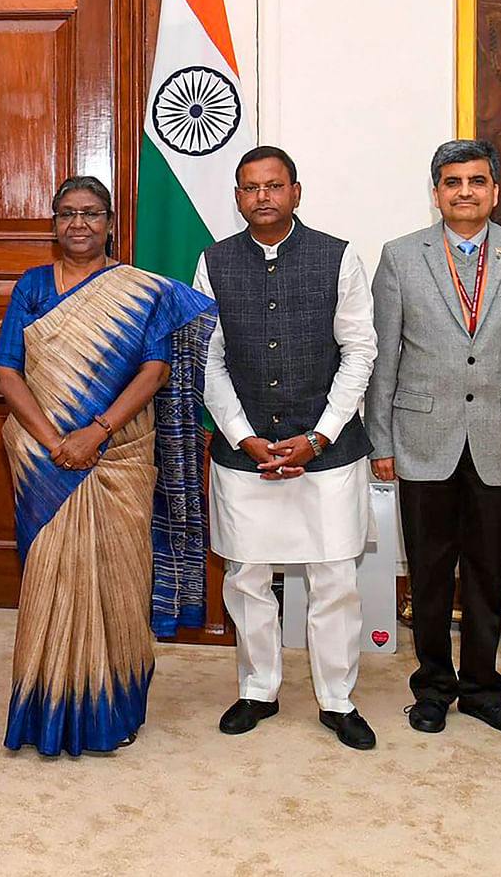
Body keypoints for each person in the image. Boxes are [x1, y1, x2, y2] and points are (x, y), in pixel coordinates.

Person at [0, 175, 214, 756]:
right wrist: (54, 440)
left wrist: (97, 432)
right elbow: (7, 369)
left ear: (111, 221)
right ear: (54, 224)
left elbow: (155, 370)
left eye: (90, 213)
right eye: (67, 214)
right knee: (49, 578)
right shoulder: (34, 288)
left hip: (121, 454)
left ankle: (112, 708)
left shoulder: (140, 291)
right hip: (45, 460)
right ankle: (48, 708)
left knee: (121, 576)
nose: (78, 224)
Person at [366, 138, 501, 738]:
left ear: (494, 191)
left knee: (487, 572)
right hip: (422, 435)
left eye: (477, 181)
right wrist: (380, 441)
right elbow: (385, 357)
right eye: (453, 182)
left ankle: (483, 688)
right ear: (436, 194)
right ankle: (432, 687)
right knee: (429, 574)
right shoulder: (401, 256)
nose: (465, 191)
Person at [193, 146, 378, 749]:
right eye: (250, 188)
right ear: (238, 197)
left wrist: (319, 435)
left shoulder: (338, 256)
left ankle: (336, 698)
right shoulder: (213, 261)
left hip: (328, 450)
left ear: (296, 191)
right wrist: (242, 434)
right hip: (243, 450)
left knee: (333, 577)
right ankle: (258, 689)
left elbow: (360, 351)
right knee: (246, 575)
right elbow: (208, 357)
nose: (263, 197)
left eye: (274, 186)